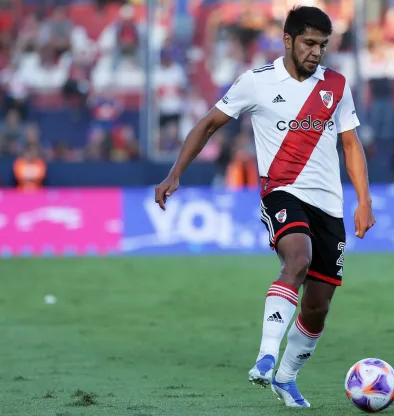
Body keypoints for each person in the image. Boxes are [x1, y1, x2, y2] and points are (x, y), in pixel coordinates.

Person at [153, 6, 375, 408]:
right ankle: (265, 355)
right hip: (282, 192)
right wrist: (175, 174)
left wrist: (364, 201)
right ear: (287, 40)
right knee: (297, 259)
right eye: (308, 43)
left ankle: (286, 377)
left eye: (322, 45)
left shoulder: (337, 86)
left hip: (330, 205)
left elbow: (350, 144)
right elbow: (206, 124)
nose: (315, 52)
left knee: (319, 305)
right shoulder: (255, 83)